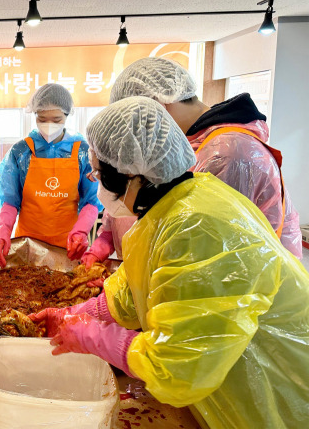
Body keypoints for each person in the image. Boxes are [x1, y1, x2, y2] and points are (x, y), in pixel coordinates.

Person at [32, 97, 309, 429]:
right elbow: (133, 291)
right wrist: (73, 316)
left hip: (278, 392)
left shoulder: (197, 226)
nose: (95, 179)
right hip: (233, 387)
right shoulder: (169, 211)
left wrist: (97, 339)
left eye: (100, 170)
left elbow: (180, 366)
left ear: (133, 174)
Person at [103, 56, 302, 259]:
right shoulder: (190, 143)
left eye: (136, 122)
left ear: (158, 105)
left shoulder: (227, 153)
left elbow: (203, 251)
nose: (138, 134)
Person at [0, 84, 103, 267]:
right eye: (42, 118)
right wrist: (3, 232)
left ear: (67, 116)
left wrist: (81, 232)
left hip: (67, 244)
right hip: (28, 242)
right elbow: (10, 200)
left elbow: (91, 201)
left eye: (57, 119)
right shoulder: (21, 151)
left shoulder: (82, 152)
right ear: (34, 115)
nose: (49, 125)